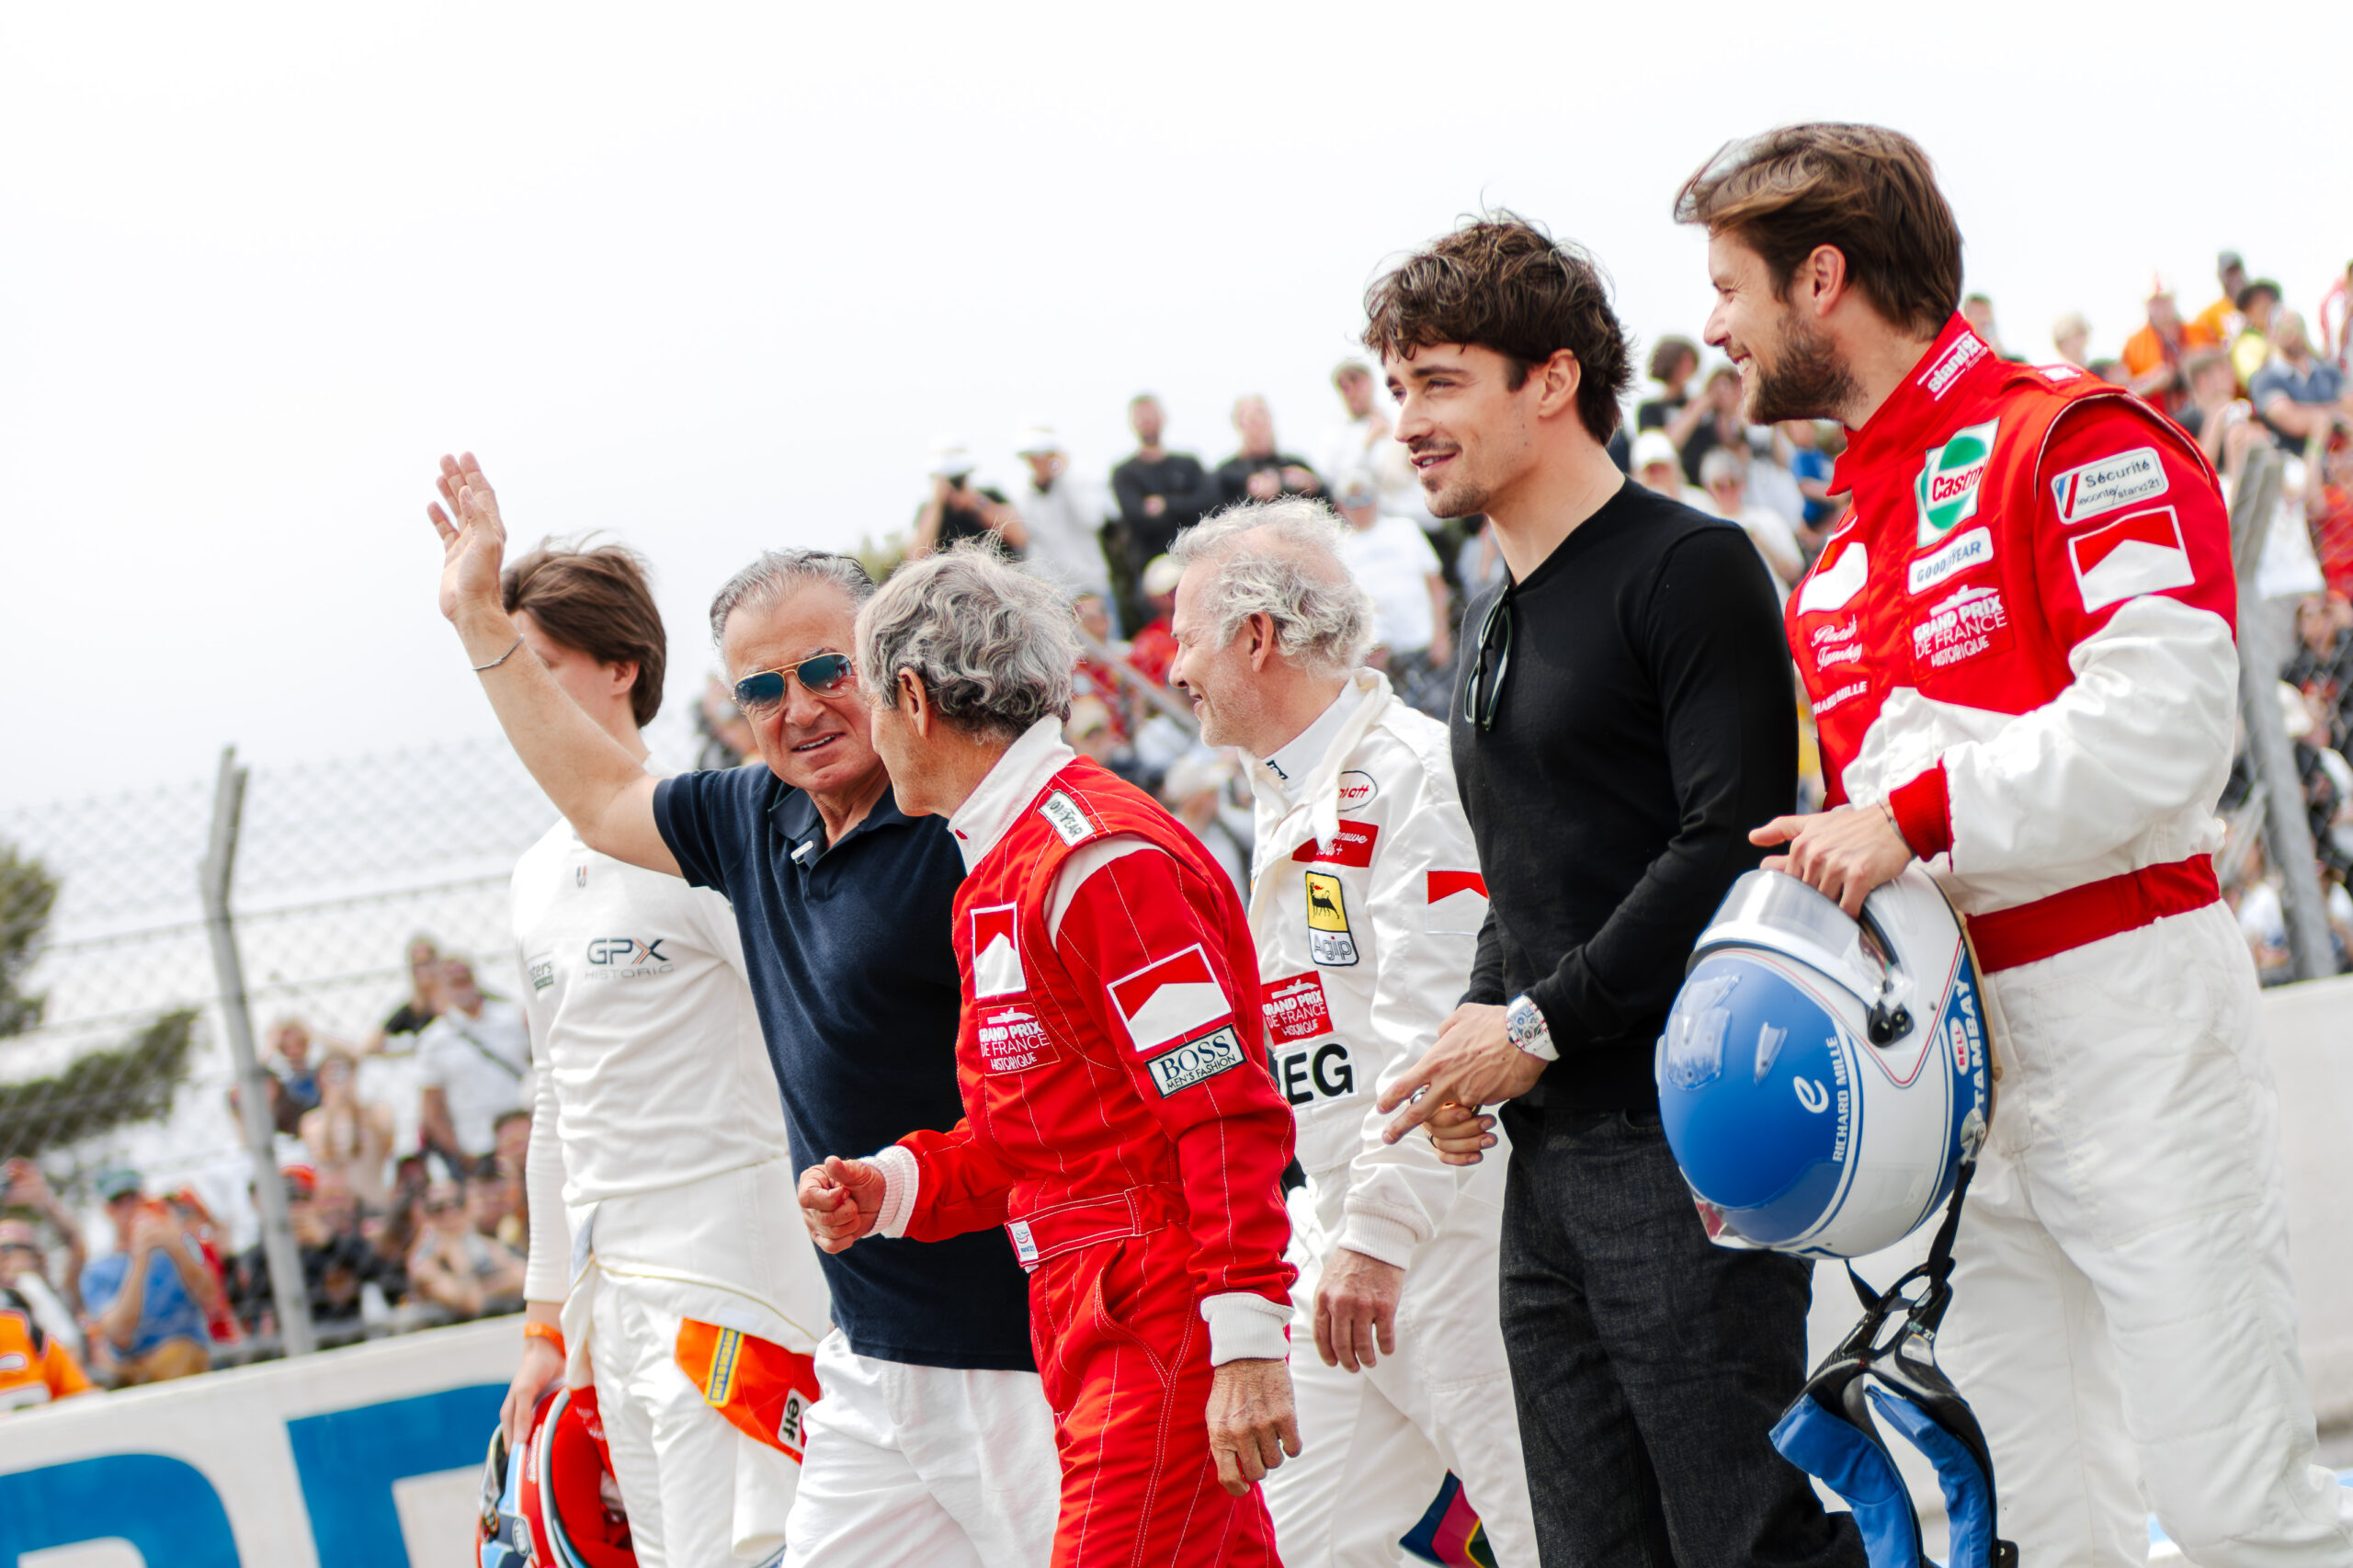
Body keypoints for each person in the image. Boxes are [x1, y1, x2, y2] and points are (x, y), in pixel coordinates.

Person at [1670, 119, 2351, 1566]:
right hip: (1951, 1075)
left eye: (1729, 287)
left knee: (2235, 1506)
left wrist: (1908, 816)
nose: (1714, 329)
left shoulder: (2073, 440)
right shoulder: (1834, 563)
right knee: (2031, 1524)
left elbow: (2171, 726)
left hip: (2136, 1023)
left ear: (1822, 279)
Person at [425, 458, 1056, 1568]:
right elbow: (597, 806)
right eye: (763, 688)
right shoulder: (744, 821)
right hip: (835, 1339)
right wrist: (477, 618)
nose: (799, 707)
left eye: (827, 670)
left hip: (947, 1321)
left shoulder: (970, 824)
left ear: (885, 664)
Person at [1363, 214, 1859, 1568]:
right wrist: (1475, 1037)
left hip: (1690, 1126)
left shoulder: (1687, 564)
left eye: (1439, 381)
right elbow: (1527, 869)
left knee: (1744, 1539)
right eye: (1396, 388)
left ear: (1553, 379)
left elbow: (1722, 844)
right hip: (1549, 1160)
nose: (1407, 422)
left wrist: (1533, 1026)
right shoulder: (1492, 610)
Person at [797, 546, 1301, 1568]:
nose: (871, 734)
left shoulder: (1095, 858)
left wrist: (1245, 1336)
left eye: (870, 699)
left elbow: (1221, 1107)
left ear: (911, 698)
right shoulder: (1000, 865)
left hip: (1154, 1312)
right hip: (1086, 1310)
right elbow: (1028, 1141)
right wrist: (889, 1187)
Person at [1167, 501, 1539, 1568]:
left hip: (1447, 1233)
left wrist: (1376, 1232)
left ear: (1256, 638)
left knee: (1543, 1529)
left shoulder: (1411, 773)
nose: (1174, 665)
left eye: (1186, 637)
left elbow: (1435, 1029)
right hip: (1339, 1234)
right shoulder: (1286, 785)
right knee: (1297, 1544)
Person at [486, 537, 827, 1566]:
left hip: (733, 1280)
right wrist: (545, 1325)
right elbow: (556, 1102)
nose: (517, 693)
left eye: (541, 665)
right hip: (611, 1301)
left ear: (620, 667)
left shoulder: (704, 832)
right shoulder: (532, 878)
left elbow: (812, 1033)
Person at [80, 1167, 220, 1383]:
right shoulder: (97, 1270)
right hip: (131, 1366)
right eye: (119, 1203)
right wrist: (139, 1261)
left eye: (134, 1199)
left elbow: (211, 1299)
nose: (129, 1209)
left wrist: (176, 1246)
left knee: (176, 1355)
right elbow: (119, 1334)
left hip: (184, 1355)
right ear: (108, 1211)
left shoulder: (179, 1247)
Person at [1110, 394, 1218, 631]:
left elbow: (1209, 505)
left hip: (1195, 565)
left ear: (1163, 417)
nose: (1147, 421)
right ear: (1132, 423)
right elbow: (1138, 519)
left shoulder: (1188, 464)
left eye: (1151, 414)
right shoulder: (1125, 473)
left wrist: (1165, 505)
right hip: (1151, 571)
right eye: (1141, 416)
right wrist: (1183, 506)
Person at [1330, 472, 1453, 673]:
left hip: (1424, 642)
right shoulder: (1336, 547)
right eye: (1352, 501)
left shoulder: (1405, 528)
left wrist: (1441, 635)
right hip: (1379, 654)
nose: (1360, 506)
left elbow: (1437, 585)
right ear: (1340, 505)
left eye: (1365, 498)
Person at [416, 956, 531, 1165]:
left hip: (525, 1135)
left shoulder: (512, 1017)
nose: (461, 987)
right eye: (453, 981)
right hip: (477, 1147)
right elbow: (433, 1109)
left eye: (464, 978)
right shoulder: (433, 1040)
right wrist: (462, 1156)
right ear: (441, 987)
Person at [1010, 424, 1112, 605]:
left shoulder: (1080, 481)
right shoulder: (1023, 496)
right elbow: (1028, 541)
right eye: (1032, 456)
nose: (1038, 462)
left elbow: (1093, 520)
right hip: (1051, 595)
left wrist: (1064, 477)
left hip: (1091, 588)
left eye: (1044, 454)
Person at [406, 1170, 526, 1320]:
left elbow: (523, 1278)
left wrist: (483, 1290)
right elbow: (470, 1303)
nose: (450, 1214)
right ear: (427, 1215)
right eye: (438, 1209)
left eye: (457, 1203)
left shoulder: (484, 1245)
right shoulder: (423, 1260)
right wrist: (456, 1256)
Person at [1320, 360, 1426, 522]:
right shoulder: (1336, 434)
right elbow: (1339, 481)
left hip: (1422, 513)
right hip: (1378, 520)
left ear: (1370, 382)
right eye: (1342, 386)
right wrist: (1367, 443)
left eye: (1354, 380)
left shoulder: (1398, 416)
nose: (1349, 390)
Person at [1699, 446, 1805, 597]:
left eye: (1732, 482)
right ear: (1708, 488)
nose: (1727, 490)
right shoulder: (1705, 528)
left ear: (1742, 483)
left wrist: (1761, 543)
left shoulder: (1768, 518)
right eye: (1719, 486)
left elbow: (1795, 573)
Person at [300, 1049, 396, 1211]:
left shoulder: (376, 1113)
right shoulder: (312, 1121)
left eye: (344, 1072)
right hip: (337, 1210)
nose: (339, 1079)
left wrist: (356, 1104)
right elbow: (325, 1155)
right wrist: (333, 1107)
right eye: (332, 1073)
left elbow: (387, 1144)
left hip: (372, 1204)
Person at [2250, 311, 2352, 453]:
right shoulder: (2264, 378)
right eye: (2284, 328)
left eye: (2297, 326)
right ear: (2272, 334)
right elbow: (2294, 421)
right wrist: (2336, 414)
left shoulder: (2328, 368)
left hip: (2342, 454)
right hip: (2294, 458)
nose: (2293, 334)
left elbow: (2350, 405)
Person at [912, 441, 1028, 560]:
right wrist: (937, 505)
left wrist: (976, 504)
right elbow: (917, 557)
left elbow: (1020, 537)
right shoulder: (929, 511)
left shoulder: (990, 496)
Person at [1217, 394, 1323, 507]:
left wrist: (1313, 487)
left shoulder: (1295, 465)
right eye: (1249, 418)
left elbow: (1329, 504)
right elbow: (1213, 510)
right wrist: (1251, 494)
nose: (1257, 423)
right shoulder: (1226, 476)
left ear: (1270, 419)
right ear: (1238, 425)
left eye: (1260, 414)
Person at [2122, 276, 2199, 416]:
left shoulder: (2198, 331)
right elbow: (2126, 388)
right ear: (2146, 305)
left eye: (2164, 300)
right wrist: (2153, 380)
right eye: (2155, 302)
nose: (2161, 307)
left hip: (2199, 408)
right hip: (2158, 417)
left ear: (2173, 300)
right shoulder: (2133, 344)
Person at [2192, 249, 2251, 346]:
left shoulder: (2256, 306)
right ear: (2220, 276)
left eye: (2237, 271)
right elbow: (2197, 344)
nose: (2235, 277)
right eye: (2230, 273)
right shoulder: (2209, 314)